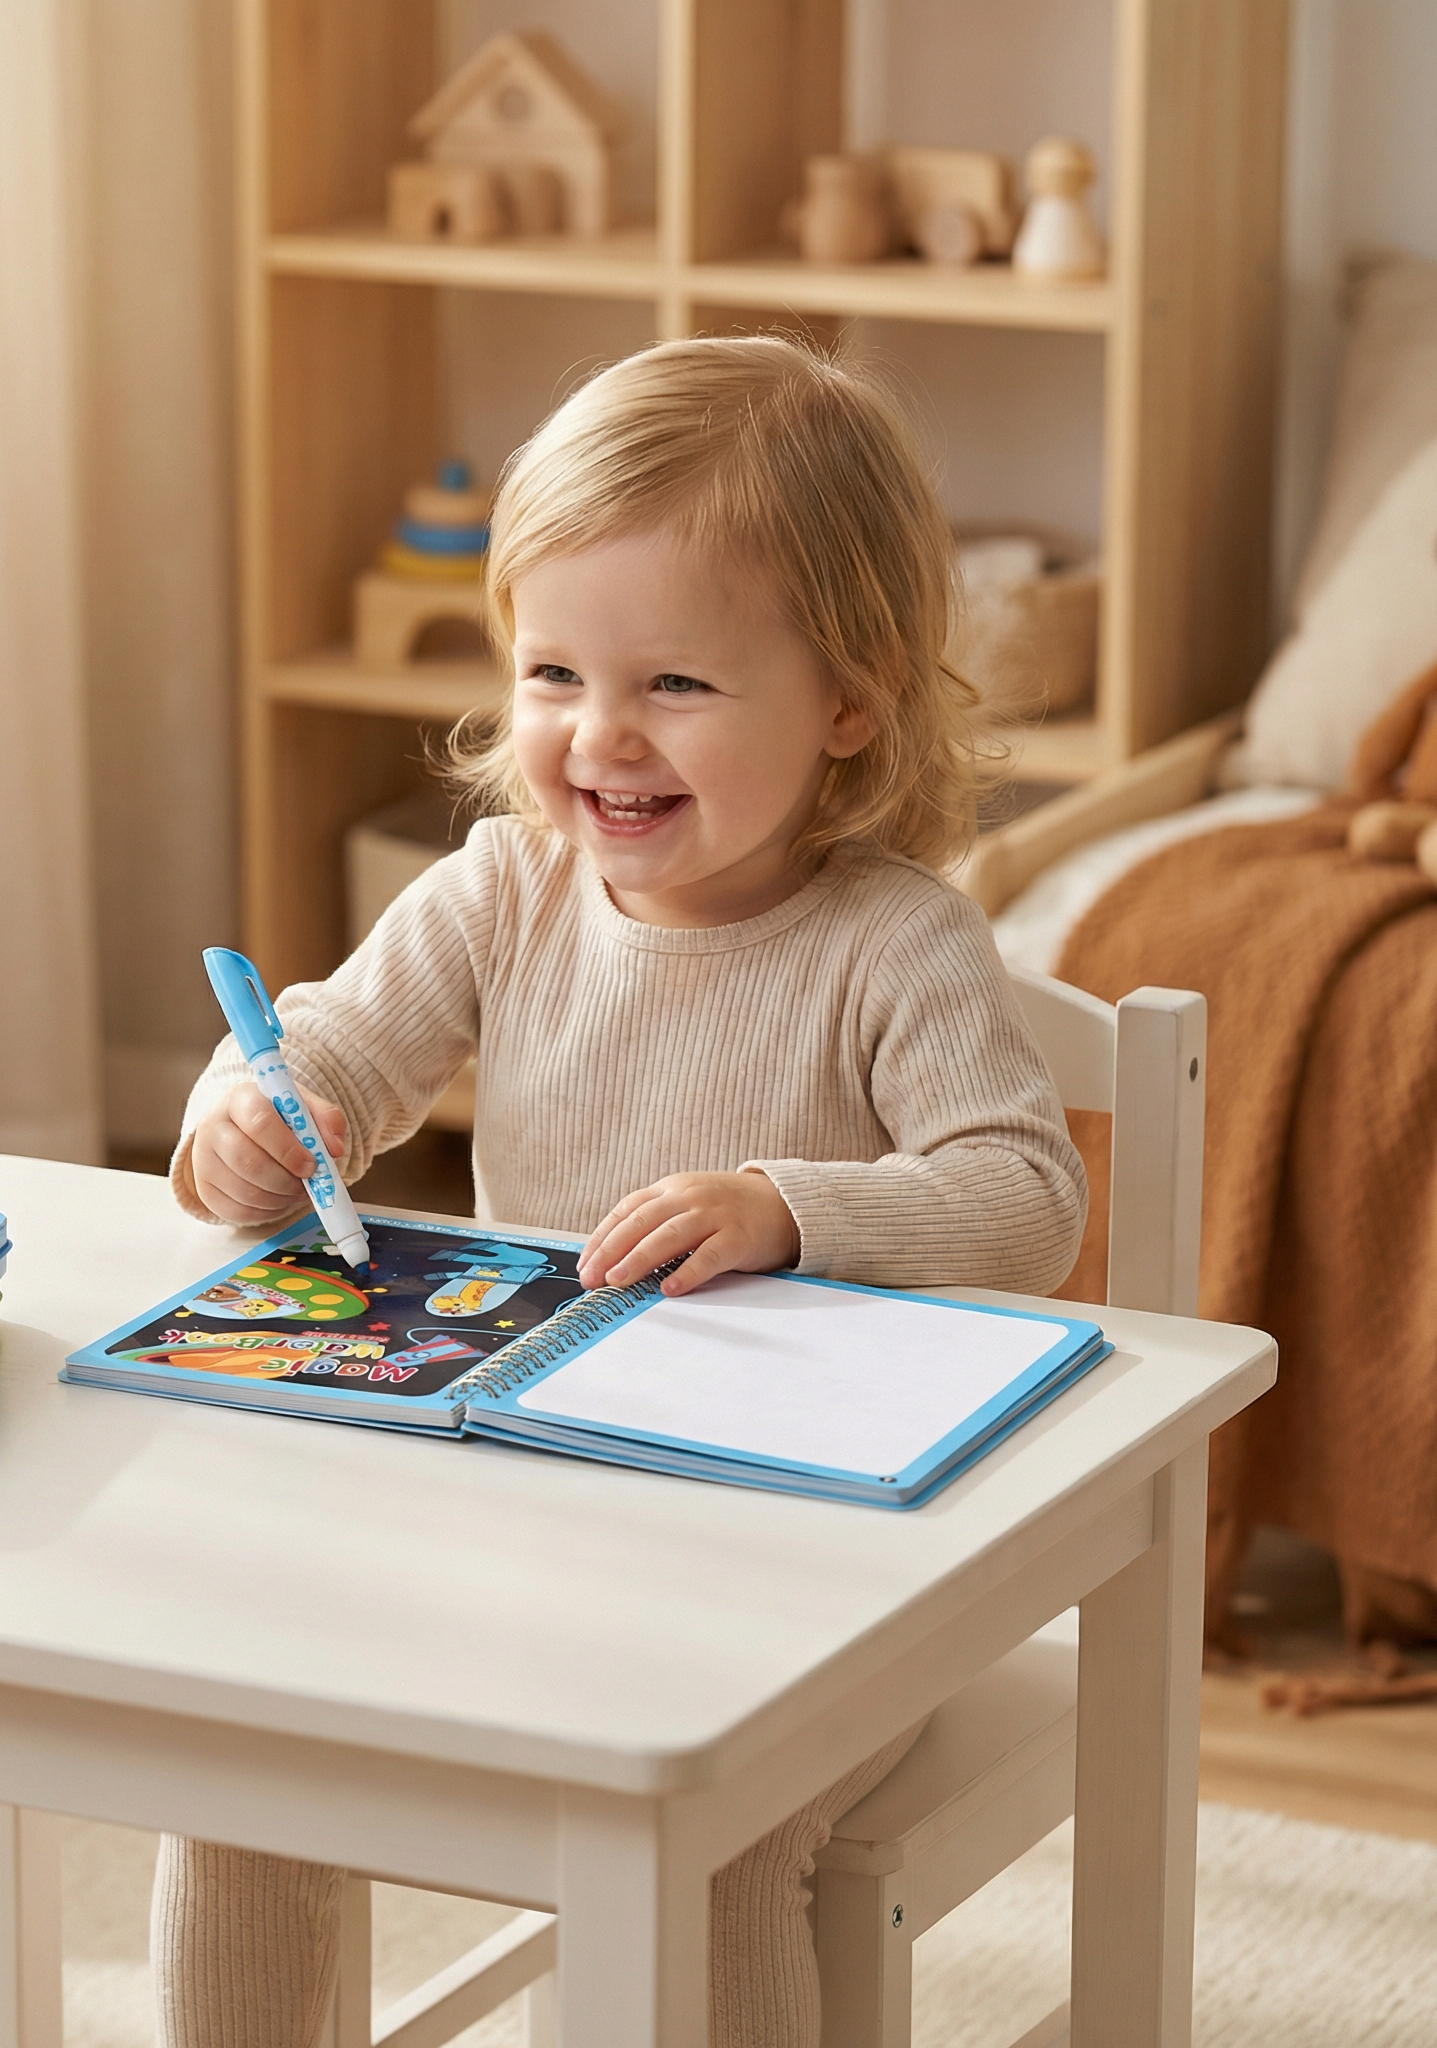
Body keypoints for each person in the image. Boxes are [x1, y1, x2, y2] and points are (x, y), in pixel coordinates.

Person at [158, 335, 1087, 2048]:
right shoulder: (502, 889)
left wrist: (791, 1209)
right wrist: (247, 1125)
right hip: (524, 1522)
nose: (601, 736)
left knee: (711, 1842)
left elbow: (1027, 1197)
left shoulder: (899, 943)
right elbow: (320, 1049)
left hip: (814, 1568)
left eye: (675, 682)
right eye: (553, 672)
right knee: (237, 1761)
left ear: (851, 700)